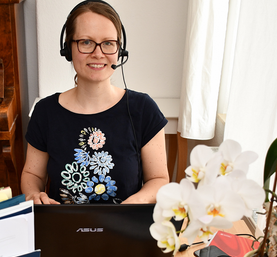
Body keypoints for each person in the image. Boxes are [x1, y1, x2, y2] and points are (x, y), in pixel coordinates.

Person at [22, 0, 169, 205]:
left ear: (120, 50)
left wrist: (131, 206)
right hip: (64, 231)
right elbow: (32, 175)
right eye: (86, 42)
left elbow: (159, 180)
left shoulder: (144, 109)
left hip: (125, 230)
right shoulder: (45, 112)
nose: (98, 53)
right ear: (68, 49)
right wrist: (33, 194)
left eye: (108, 43)